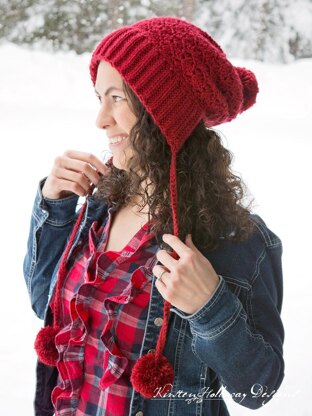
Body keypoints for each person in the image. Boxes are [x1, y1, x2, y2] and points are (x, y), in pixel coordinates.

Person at [23, 16, 285, 416]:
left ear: (164, 111)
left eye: (117, 98)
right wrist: (54, 207)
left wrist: (209, 307)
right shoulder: (98, 205)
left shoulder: (234, 238)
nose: (100, 120)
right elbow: (46, 304)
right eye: (99, 98)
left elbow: (258, 389)